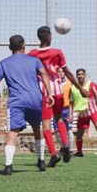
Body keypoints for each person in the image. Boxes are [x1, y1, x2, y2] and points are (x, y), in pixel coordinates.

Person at [0, 35, 54, 175]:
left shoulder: (4, 63)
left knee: (13, 131)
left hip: (17, 102)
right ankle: (41, 161)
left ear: (10, 48)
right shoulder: (34, 60)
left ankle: (8, 166)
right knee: (37, 129)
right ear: (24, 46)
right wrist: (49, 94)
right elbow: (44, 74)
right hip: (35, 100)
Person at [29, 26, 88, 168]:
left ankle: (54, 154)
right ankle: (66, 145)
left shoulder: (33, 54)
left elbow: (30, 74)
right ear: (49, 37)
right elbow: (67, 72)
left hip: (44, 92)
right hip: (57, 90)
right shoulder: (57, 52)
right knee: (59, 117)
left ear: (39, 38)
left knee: (46, 125)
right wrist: (80, 88)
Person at [70, 68, 97, 158]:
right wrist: (70, 114)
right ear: (76, 76)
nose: (80, 76)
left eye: (82, 74)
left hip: (93, 112)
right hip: (82, 113)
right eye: (78, 74)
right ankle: (79, 152)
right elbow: (71, 102)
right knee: (79, 134)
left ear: (85, 75)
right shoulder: (73, 87)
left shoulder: (92, 85)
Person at [53, 67, 75, 156]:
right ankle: (63, 148)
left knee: (69, 129)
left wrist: (70, 113)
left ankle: (70, 150)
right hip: (57, 110)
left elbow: (71, 100)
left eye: (62, 71)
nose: (60, 73)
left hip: (66, 109)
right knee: (56, 130)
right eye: (59, 72)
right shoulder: (54, 84)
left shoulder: (70, 84)